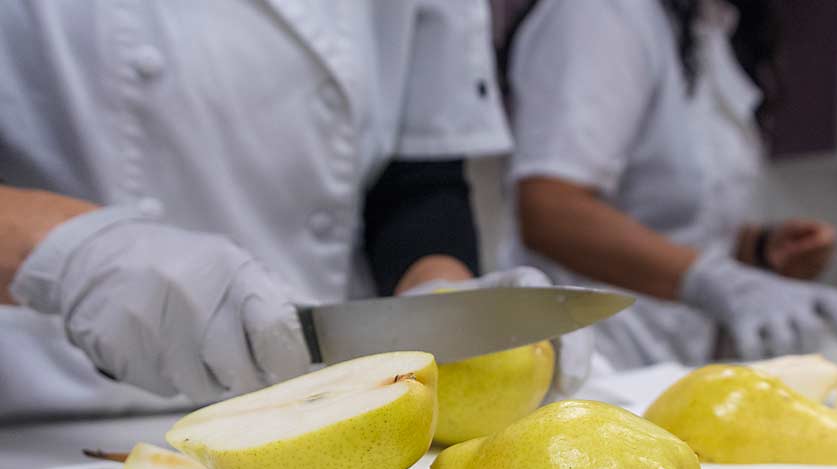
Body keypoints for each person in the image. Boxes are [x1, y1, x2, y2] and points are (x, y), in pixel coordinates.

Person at [0, 0, 586, 420]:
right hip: (45, 417)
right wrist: (64, 249)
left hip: (325, 405)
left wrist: (441, 296)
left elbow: (418, 179)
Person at [500, 0, 837, 370]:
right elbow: (550, 209)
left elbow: (675, 220)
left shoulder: (708, 28)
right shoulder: (599, 14)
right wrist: (720, 281)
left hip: (667, 363)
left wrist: (756, 250)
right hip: (592, 363)